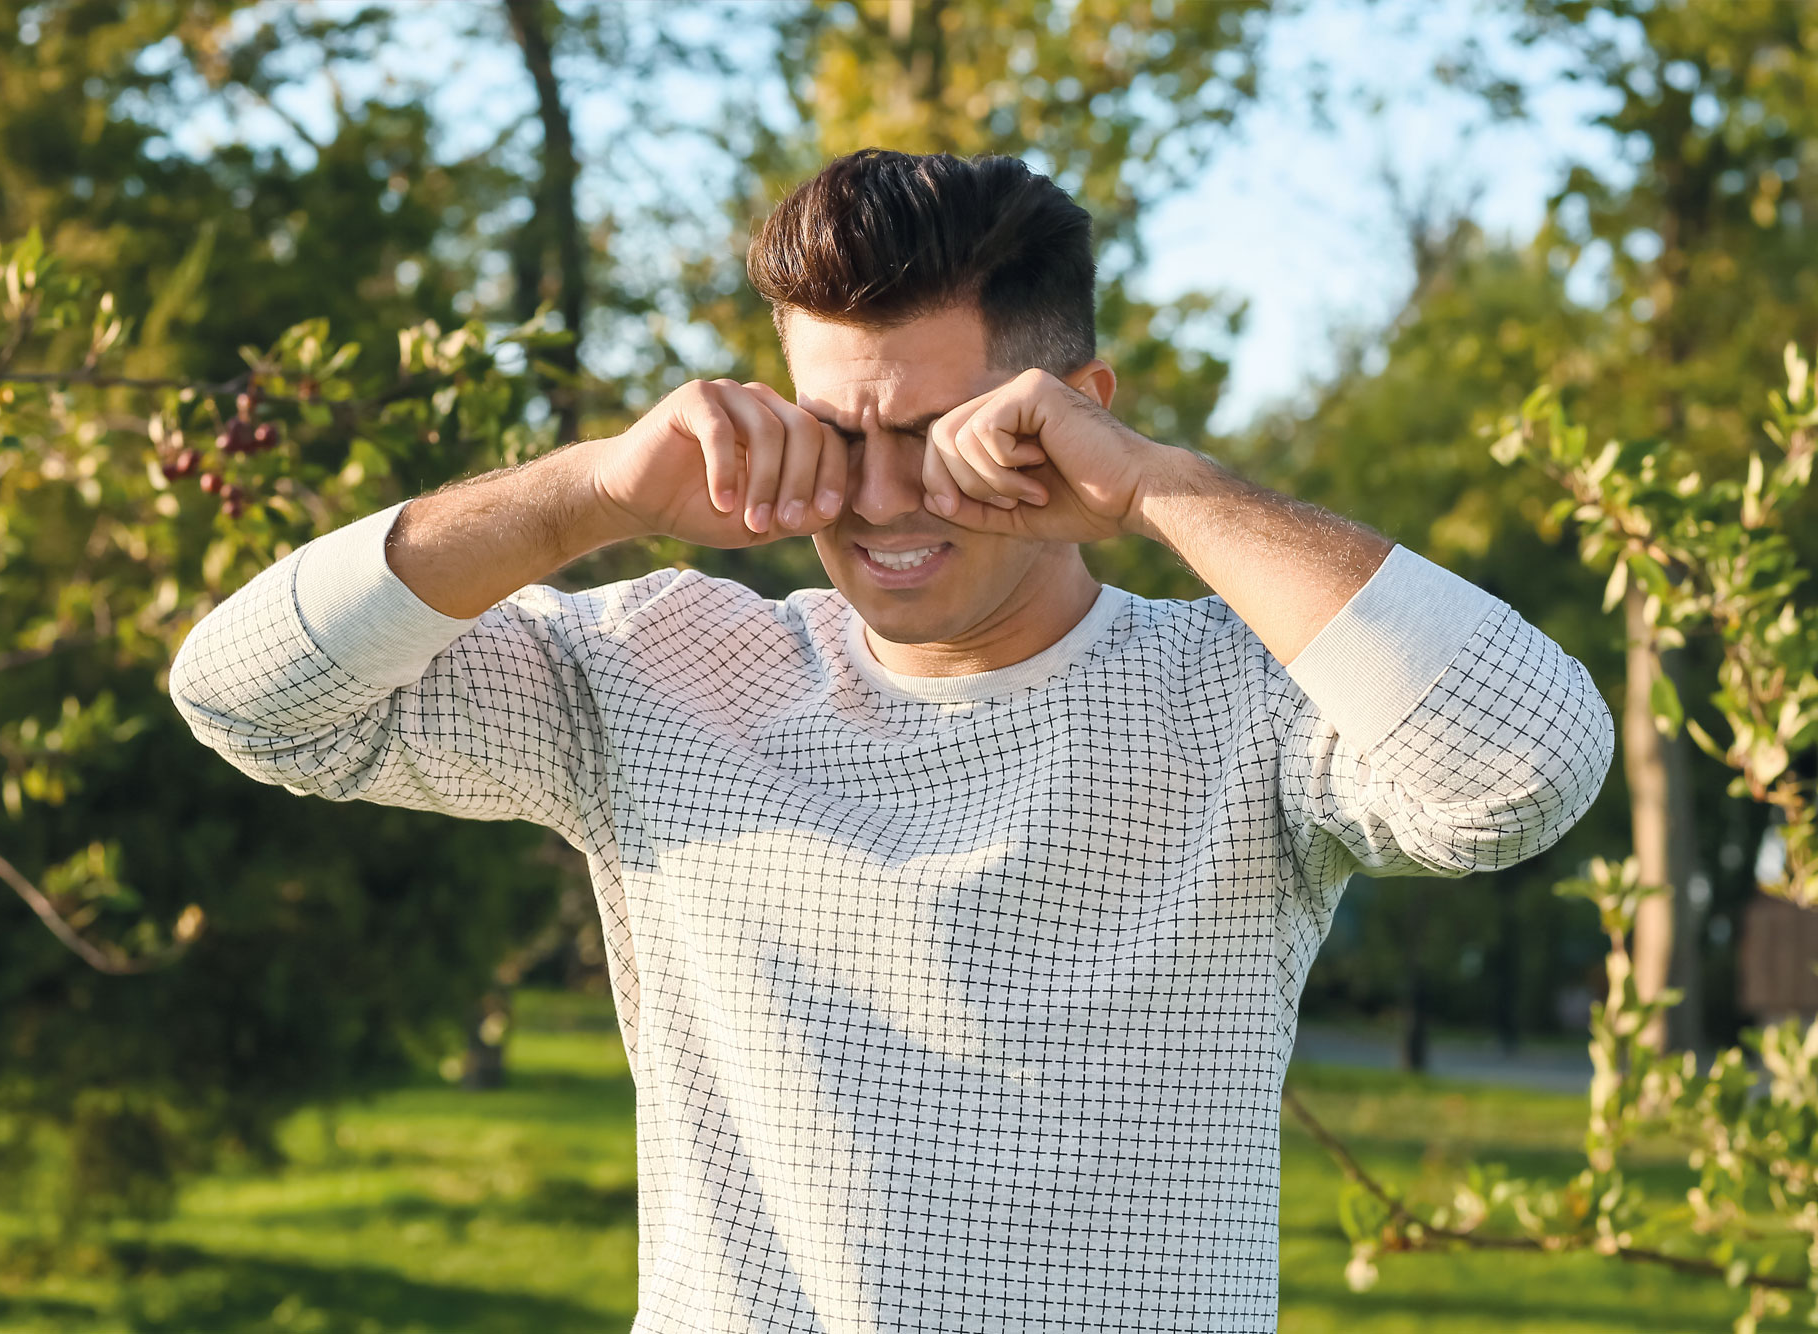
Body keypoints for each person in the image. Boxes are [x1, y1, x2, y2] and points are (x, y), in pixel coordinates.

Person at [170, 148, 1614, 1332]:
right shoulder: (667, 668)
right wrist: (588, 492)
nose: (874, 499)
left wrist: (1161, 490)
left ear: (1074, 414)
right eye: (835, 433)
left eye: (935, 436)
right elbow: (247, 697)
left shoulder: (1241, 707)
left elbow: (1524, 769)